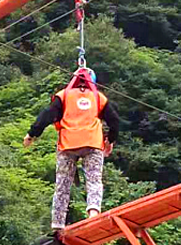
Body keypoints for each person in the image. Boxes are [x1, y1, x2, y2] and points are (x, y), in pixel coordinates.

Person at [23, 69, 119, 231]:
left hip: (68, 144)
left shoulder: (64, 96)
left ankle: (57, 223)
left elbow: (47, 115)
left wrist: (32, 134)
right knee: (94, 179)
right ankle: (93, 213)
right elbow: (115, 121)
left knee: (62, 184)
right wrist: (110, 140)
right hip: (92, 143)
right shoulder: (99, 98)